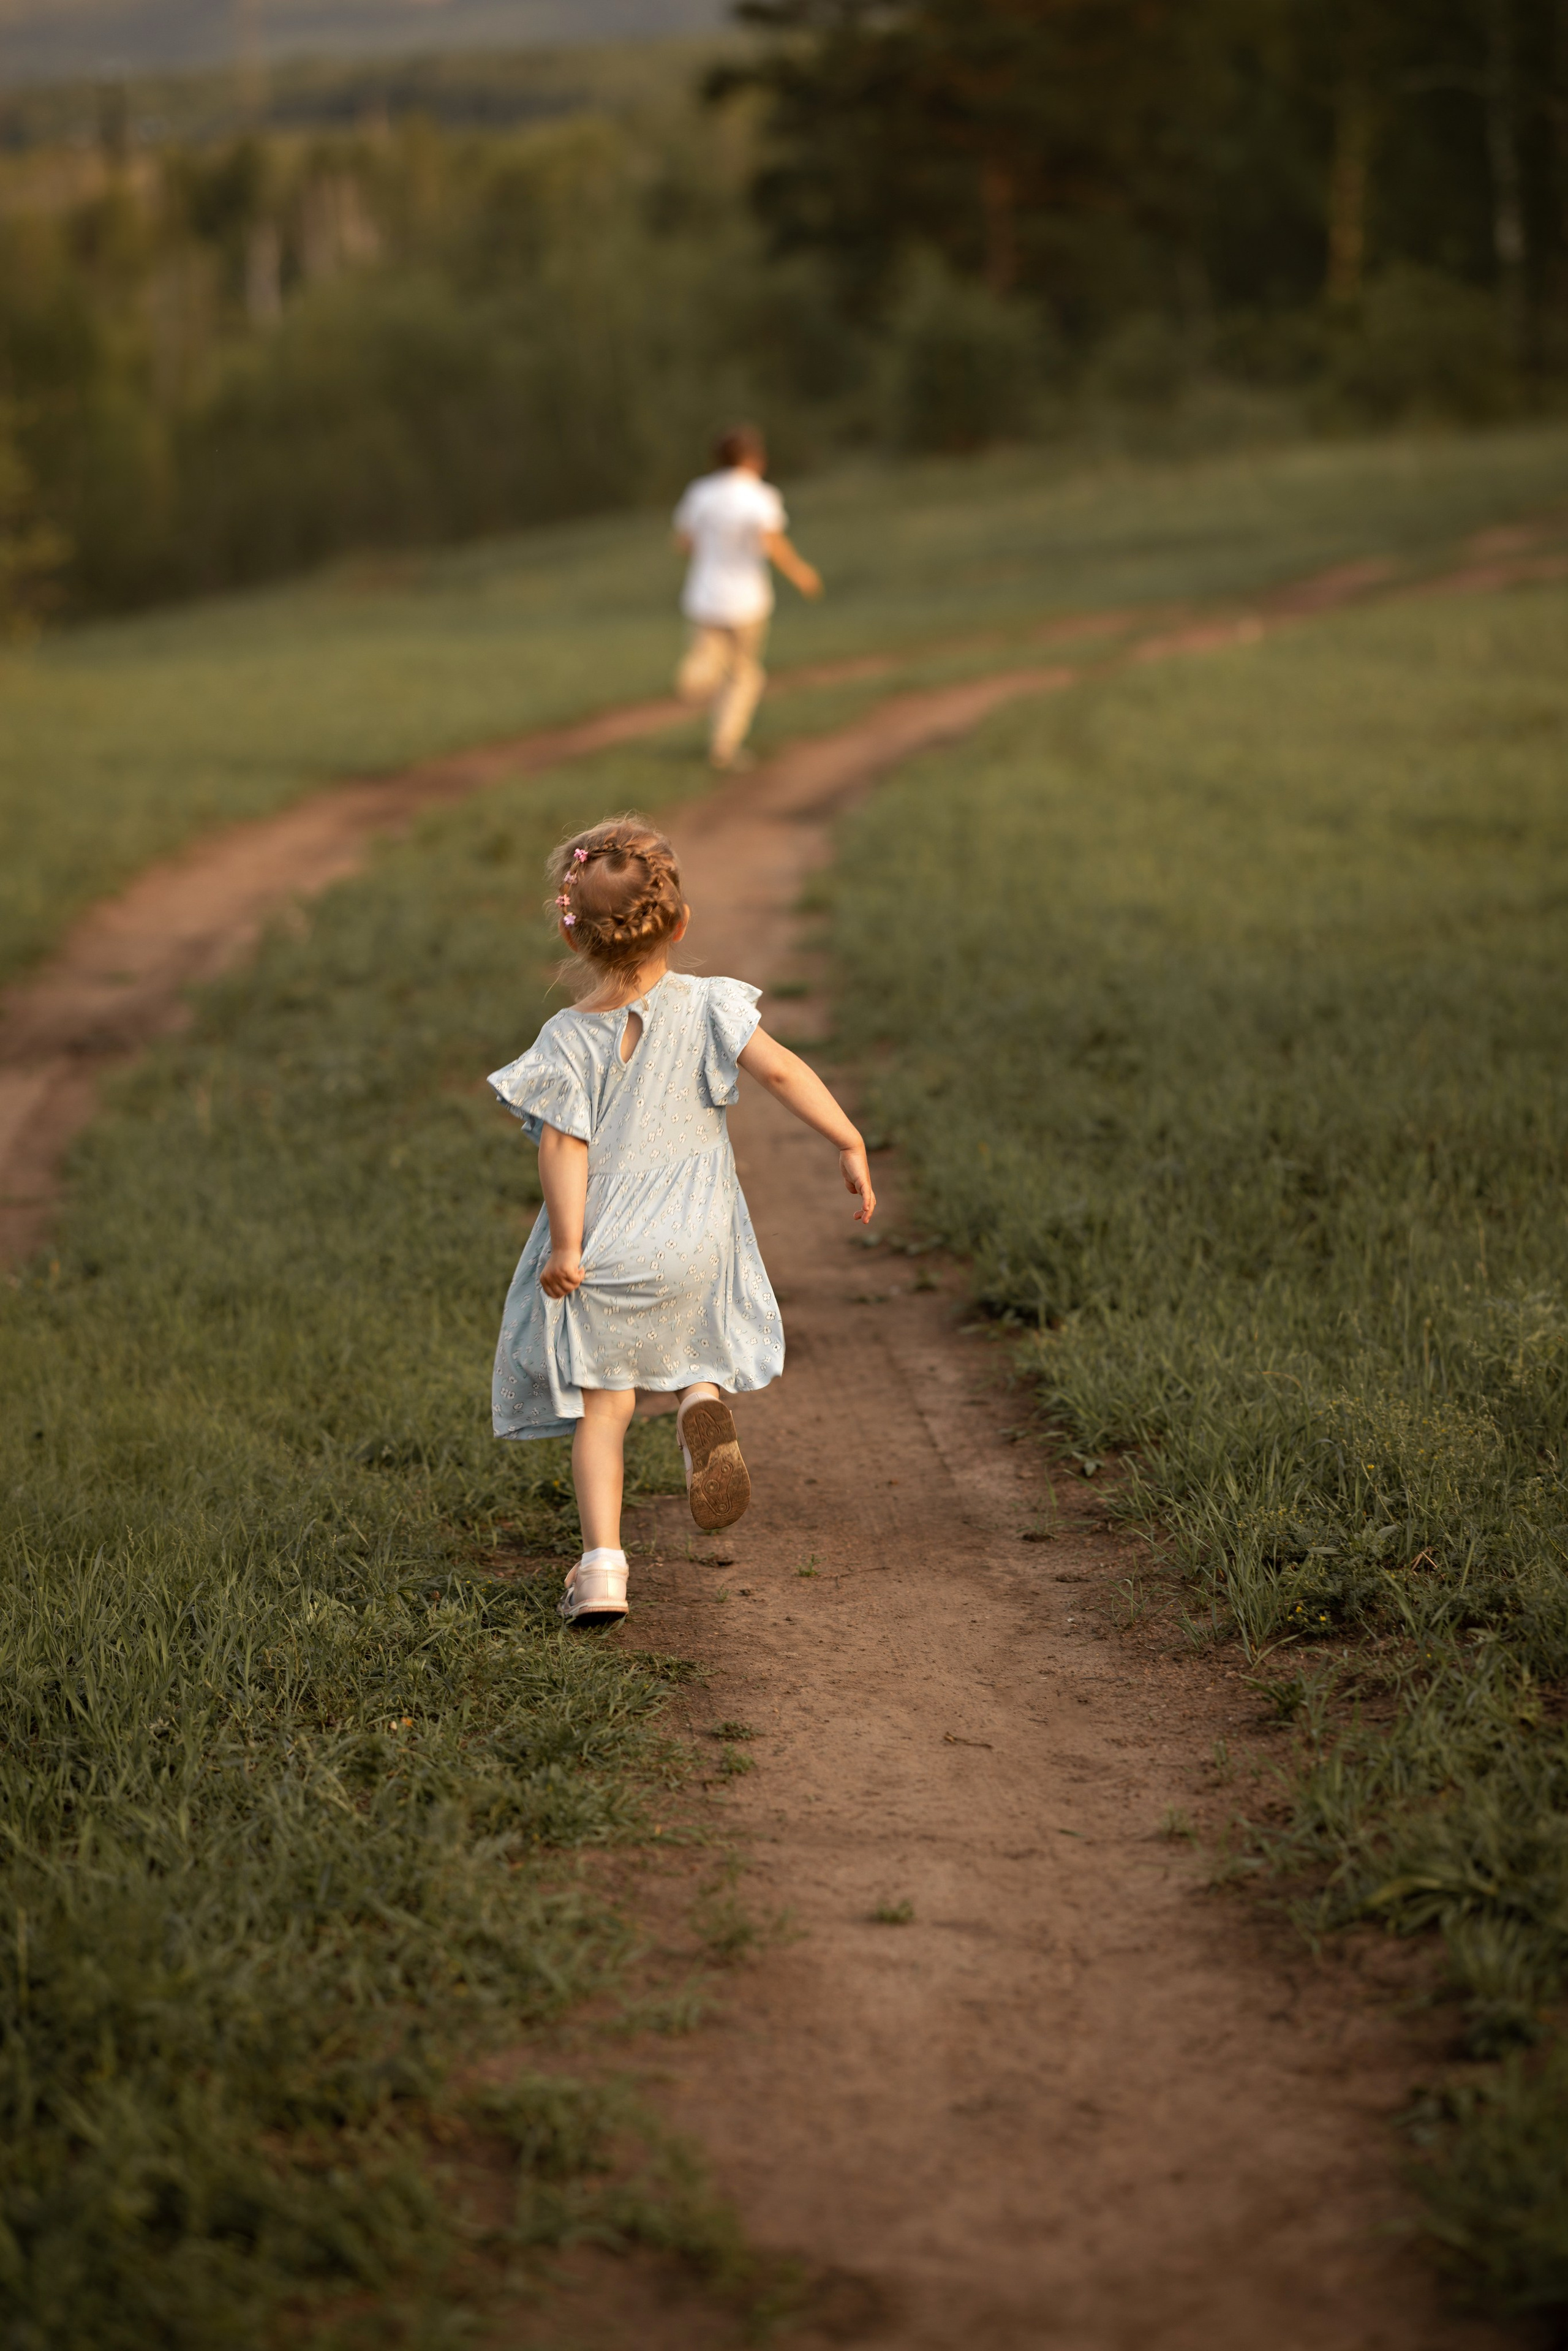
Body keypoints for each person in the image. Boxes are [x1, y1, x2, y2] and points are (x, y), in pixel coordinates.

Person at [487, 817, 875, 1626]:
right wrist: (847, 1137)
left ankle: (602, 1569)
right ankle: (701, 1394)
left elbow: (562, 1149)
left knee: (607, 1408)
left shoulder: (567, 1038)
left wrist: (565, 1245)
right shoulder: (707, 1005)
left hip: (610, 1246)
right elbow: (782, 1069)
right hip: (699, 1235)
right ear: (680, 922)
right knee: (697, 1337)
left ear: (576, 933)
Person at [672, 424, 823, 773]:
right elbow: (771, 541)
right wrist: (801, 572)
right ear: (754, 459)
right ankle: (724, 747)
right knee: (743, 676)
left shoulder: (700, 493)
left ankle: (695, 676)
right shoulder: (760, 496)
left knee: (708, 655)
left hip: (704, 596)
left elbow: (683, 542)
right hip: (746, 600)